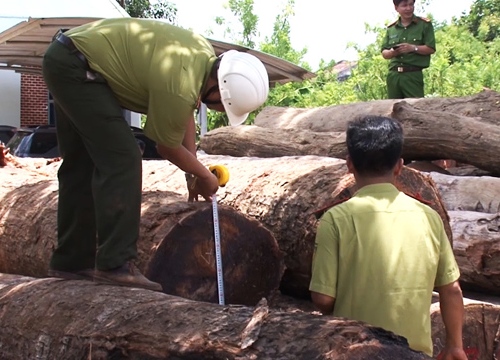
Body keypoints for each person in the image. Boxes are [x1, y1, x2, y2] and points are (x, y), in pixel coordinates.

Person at [42, 18, 269, 291]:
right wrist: (204, 177)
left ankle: (70, 262)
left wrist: (192, 172)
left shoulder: (198, 58)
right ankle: (116, 264)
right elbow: (166, 146)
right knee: (123, 157)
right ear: (218, 90)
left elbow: (184, 115)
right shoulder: (179, 85)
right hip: (78, 68)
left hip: (66, 56)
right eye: (223, 107)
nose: (220, 111)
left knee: (81, 163)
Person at [309, 116, 467, 359]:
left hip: (354, 351)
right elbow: (452, 289)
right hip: (413, 354)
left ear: (349, 164)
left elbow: (323, 298)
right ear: (399, 166)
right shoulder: (429, 217)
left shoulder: (335, 219)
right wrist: (455, 346)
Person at [381, 0, 436, 99]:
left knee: (415, 108)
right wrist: (392, 52)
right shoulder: (391, 28)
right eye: (404, 5)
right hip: (394, 76)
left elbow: (431, 48)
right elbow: (384, 52)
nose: (408, 8)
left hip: (413, 75)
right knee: (393, 109)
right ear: (396, 7)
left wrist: (413, 48)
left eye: (411, 4)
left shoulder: (424, 25)